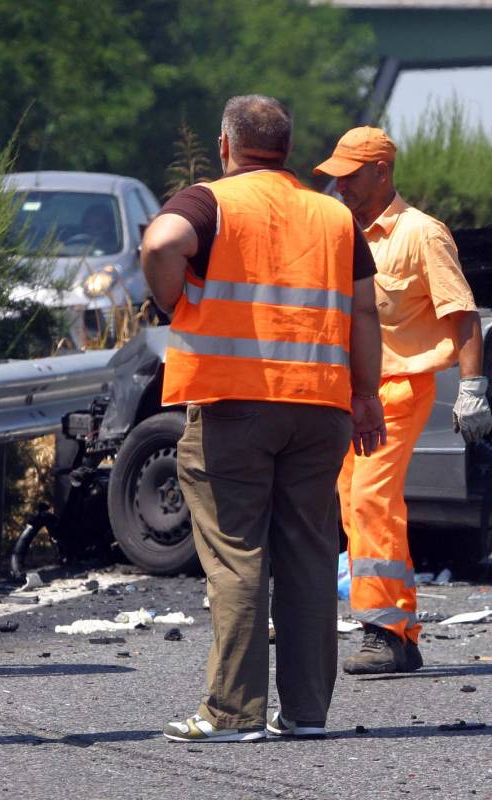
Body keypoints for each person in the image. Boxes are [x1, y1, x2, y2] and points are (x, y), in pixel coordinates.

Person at [142, 95, 385, 742]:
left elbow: (163, 242)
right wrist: (366, 396)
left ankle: (232, 712)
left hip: (233, 405)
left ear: (227, 146)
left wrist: (172, 299)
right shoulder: (334, 215)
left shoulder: (211, 201)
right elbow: (365, 312)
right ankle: (306, 713)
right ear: (286, 148)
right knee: (309, 554)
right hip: (321, 407)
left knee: (238, 554)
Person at [314, 126, 491, 675]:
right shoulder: (344, 231)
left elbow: (461, 314)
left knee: (371, 500)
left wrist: (472, 389)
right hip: (350, 390)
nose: (339, 185)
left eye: (349, 175)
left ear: (381, 172)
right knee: (354, 501)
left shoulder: (422, 234)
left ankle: (384, 631)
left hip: (397, 388)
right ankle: (401, 630)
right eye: (335, 176)